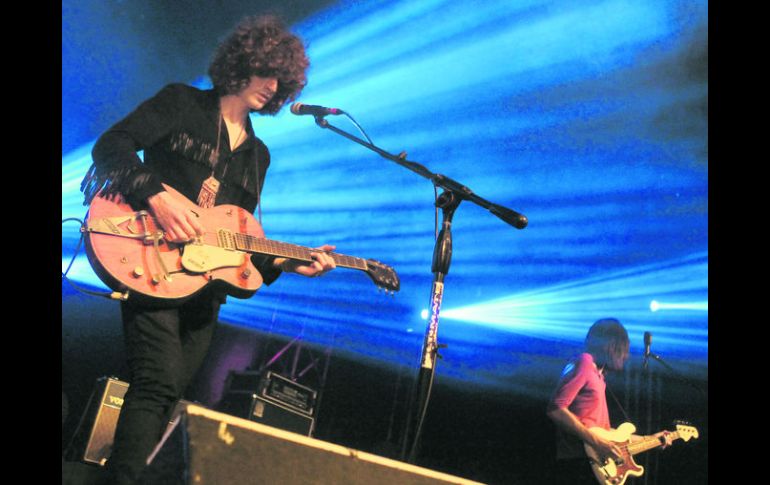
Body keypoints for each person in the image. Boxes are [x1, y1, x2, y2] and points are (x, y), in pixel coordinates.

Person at [80, 15, 336, 484]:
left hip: (205, 285)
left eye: (282, 80)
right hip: (148, 256)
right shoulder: (181, 103)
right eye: (267, 71)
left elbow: (241, 237)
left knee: (172, 388)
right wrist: (157, 195)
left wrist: (288, 263)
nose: (272, 86)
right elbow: (111, 146)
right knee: (155, 381)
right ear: (244, 64)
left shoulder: (259, 157)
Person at [546, 318, 673, 484]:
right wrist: (598, 443)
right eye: (624, 350)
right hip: (580, 462)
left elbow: (607, 434)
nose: (626, 357)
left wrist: (651, 439)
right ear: (612, 347)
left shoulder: (598, 375)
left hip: (592, 464)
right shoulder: (584, 362)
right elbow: (555, 409)